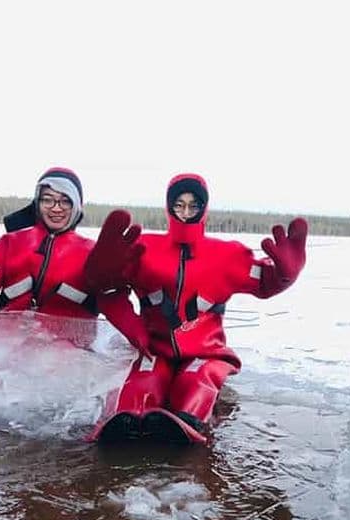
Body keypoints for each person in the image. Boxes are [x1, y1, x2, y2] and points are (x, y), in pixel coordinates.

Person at [0, 167, 147, 454]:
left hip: (65, 347)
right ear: (37, 203)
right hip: (7, 341)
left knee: (84, 379)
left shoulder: (91, 254)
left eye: (64, 201)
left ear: (77, 207)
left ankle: (102, 424)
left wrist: (141, 338)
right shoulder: (10, 246)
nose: (55, 208)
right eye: (48, 200)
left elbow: (115, 303)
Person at [85, 173, 308, 443]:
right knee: (142, 381)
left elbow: (265, 282)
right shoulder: (143, 249)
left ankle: (189, 423)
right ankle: (123, 422)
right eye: (179, 205)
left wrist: (285, 274)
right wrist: (129, 323)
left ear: (204, 209)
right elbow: (109, 290)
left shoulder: (228, 255)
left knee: (197, 382)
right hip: (154, 348)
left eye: (193, 205)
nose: (186, 212)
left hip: (205, 352)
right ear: (169, 208)